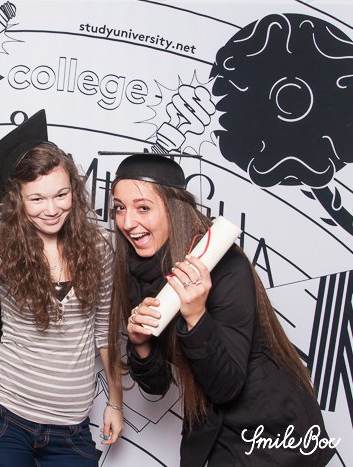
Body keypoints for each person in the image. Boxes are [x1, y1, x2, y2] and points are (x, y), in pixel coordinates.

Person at [0, 110, 124, 466]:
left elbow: (105, 332)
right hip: (4, 417)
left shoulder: (98, 248)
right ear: (18, 200)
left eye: (61, 194)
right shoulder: (3, 244)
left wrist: (116, 403)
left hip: (71, 429)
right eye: (37, 199)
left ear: (74, 191)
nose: (52, 209)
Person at [111, 153, 336, 466]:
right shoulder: (138, 271)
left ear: (174, 208)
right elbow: (157, 385)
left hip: (274, 433)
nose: (127, 222)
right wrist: (140, 343)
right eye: (119, 208)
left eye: (143, 208)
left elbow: (226, 387)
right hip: (213, 430)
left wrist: (195, 316)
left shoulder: (226, 267)